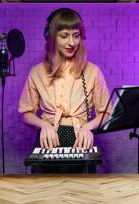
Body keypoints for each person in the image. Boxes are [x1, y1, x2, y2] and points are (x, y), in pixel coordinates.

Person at [18, 8, 111, 154]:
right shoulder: (36, 72)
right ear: (51, 37)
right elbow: (26, 113)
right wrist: (44, 125)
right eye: (64, 36)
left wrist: (87, 127)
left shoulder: (93, 71)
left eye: (76, 36)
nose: (72, 42)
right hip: (48, 139)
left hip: (81, 139)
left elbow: (106, 113)